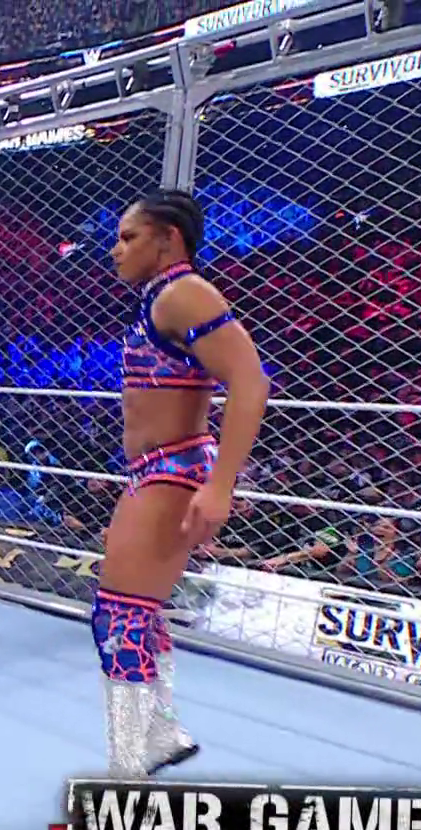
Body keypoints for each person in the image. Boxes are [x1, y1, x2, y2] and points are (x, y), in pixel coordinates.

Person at [97, 190, 269, 777]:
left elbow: (251, 381)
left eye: (129, 237)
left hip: (173, 467)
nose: (115, 250)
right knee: (137, 609)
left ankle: (129, 761)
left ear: (168, 238)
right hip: (159, 468)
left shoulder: (184, 293)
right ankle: (161, 732)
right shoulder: (162, 298)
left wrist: (221, 486)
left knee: (119, 614)